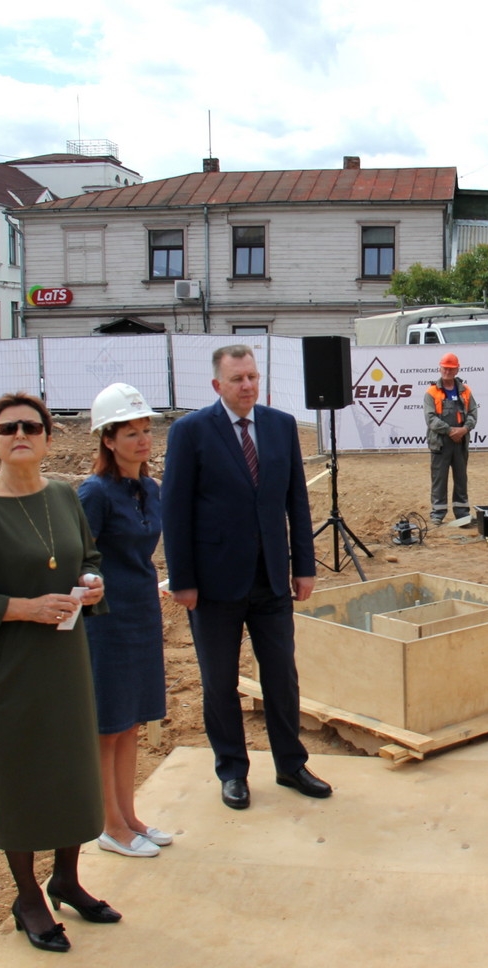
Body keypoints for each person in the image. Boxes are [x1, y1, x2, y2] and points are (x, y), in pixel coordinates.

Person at [0, 392, 113, 954]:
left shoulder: (63, 496)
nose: (20, 434)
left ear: (47, 438)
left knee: (70, 770)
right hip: (12, 665)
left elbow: (86, 556)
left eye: (31, 427)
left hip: (65, 659)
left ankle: (66, 878)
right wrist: (24, 607)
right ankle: (27, 896)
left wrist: (91, 584)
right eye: (8, 427)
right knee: (22, 778)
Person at [162, 344, 330, 812]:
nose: (248, 386)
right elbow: (174, 511)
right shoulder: (190, 432)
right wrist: (183, 580)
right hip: (214, 585)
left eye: (253, 377)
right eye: (238, 379)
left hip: (272, 579)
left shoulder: (280, 427)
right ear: (218, 385)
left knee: (282, 677)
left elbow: (296, 500)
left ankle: (291, 765)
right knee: (220, 682)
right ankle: (233, 771)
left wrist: (305, 566)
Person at [78, 383, 170, 858]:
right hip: (107, 620)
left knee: (132, 720)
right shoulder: (94, 492)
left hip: (141, 612)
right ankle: (110, 825)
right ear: (107, 440)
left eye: (145, 429)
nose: (141, 438)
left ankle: (130, 815)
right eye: (128, 431)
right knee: (108, 723)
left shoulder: (148, 488)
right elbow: (81, 556)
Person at [424, 351, 478, 524]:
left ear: (457, 370)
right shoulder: (431, 392)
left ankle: (462, 513)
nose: (447, 371)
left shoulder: (466, 391)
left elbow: (472, 413)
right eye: (445, 368)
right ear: (440, 368)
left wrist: (464, 429)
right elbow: (431, 419)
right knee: (439, 478)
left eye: (451, 369)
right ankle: (438, 514)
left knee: (461, 478)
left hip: (460, 442)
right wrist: (450, 431)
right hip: (440, 443)